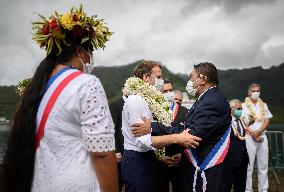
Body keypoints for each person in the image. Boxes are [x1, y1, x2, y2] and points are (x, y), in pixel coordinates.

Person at [3, 5, 118, 192]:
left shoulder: (36, 88)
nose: (91, 60)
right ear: (81, 52)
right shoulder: (86, 84)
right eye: (90, 54)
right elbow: (102, 155)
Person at [132, 62, 232, 192]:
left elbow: (190, 134)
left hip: (208, 170)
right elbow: (184, 127)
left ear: (202, 79)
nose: (189, 81)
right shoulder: (206, 99)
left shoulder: (211, 101)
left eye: (191, 77)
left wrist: (152, 128)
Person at [121, 60, 202, 192]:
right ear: (145, 77)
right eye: (158, 77)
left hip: (147, 159)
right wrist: (177, 138)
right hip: (138, 160)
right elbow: (143, 141)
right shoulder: (137, 100)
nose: (161, 80)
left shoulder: (147, 99)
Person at [158, 79, 189, 192]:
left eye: (170, 90)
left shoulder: (185, 111)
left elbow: (190, 134)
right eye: (164, 91)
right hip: (159, 162)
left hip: (180, 161)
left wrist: (183, 155)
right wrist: (159, 156)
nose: (169, 93)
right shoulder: (152, 112)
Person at [242, 83, 273, 192]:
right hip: (249, 138)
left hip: (262, 137)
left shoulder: (264, 105)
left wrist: (258, 132)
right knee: (248, 166)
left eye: (258, 91)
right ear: (249, 92)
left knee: (263, 166)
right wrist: (253, 134)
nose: (256, 93)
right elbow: (242, 122)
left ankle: (263, 189)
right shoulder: (243, 106)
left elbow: (267, 119)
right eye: (253, 91)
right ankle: (247, 189)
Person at [224, 99, 249, 192]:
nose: (241, 111)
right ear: (231, 109)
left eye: (241, 108)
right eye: (239, 108)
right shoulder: (225, 122)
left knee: (241, 185)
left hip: (243, 158)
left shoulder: (242, 120)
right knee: (227, 185)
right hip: (229, 159)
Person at [109, 85, 126, 191]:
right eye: (125, 86)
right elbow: (112, 128)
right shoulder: (115, 104)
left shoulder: (136, 103)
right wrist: (116, 151)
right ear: (122, 89)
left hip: (132, 151)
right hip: (120, 151)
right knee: (118, 183)